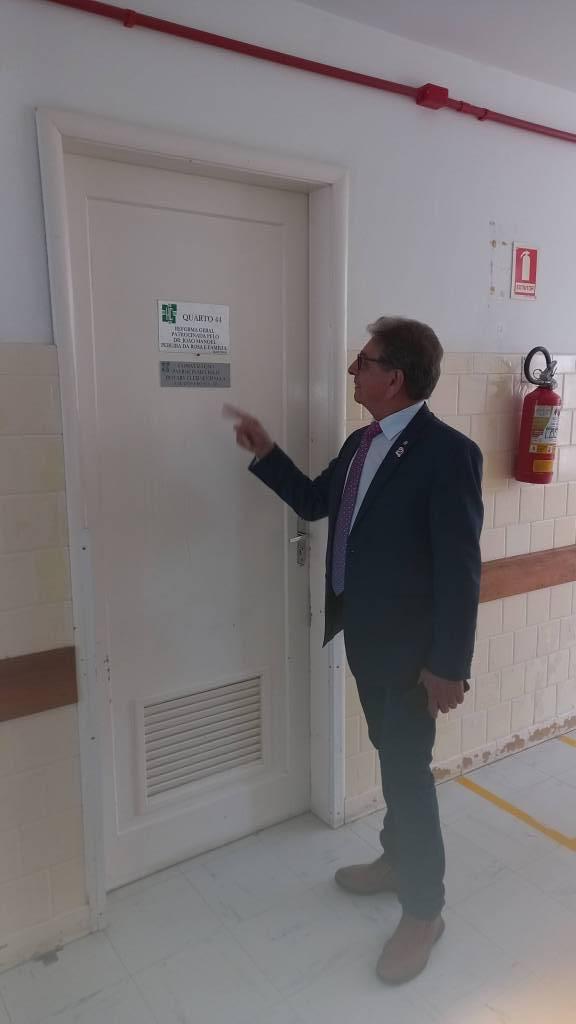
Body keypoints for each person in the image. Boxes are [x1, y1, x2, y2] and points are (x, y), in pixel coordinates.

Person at [229, 316, 483, 984]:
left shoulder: (448, 454)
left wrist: (449, 666)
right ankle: (397, 861)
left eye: (362, 361)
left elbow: (461, 570)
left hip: (415, 659)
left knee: (407, 775)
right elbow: (318, 502)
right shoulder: (361, 442)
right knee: (395, 762)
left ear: (393, 377)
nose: (352, 371)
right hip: (368, 641)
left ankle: (424, 911)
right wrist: (267, 452)